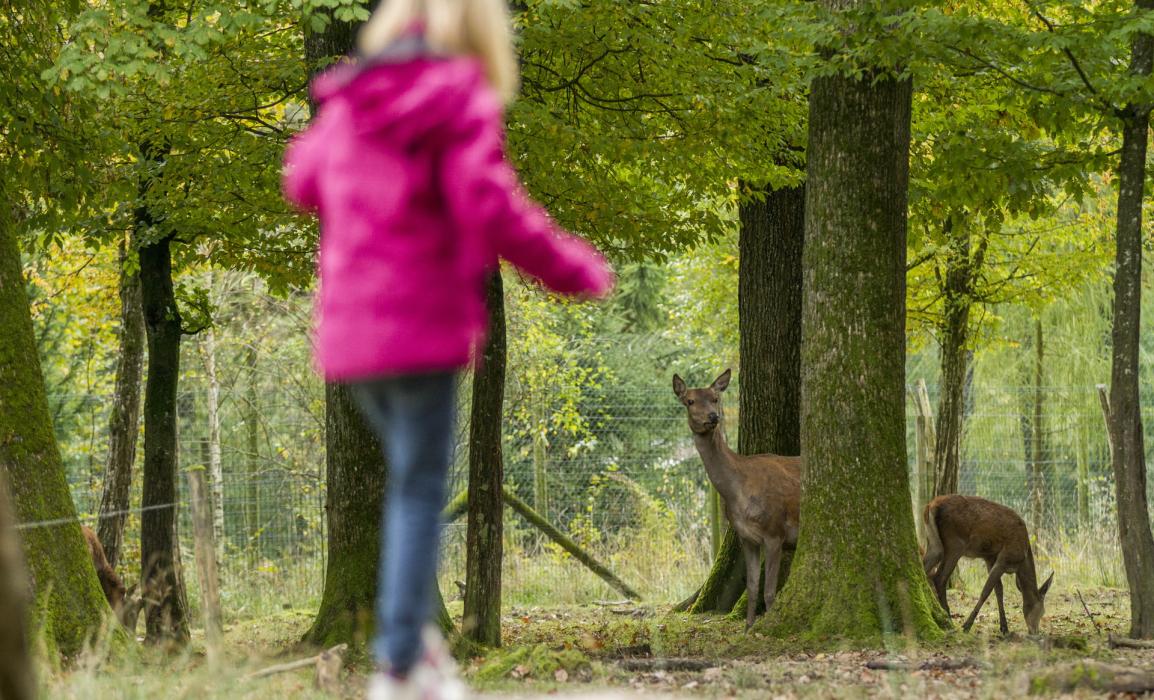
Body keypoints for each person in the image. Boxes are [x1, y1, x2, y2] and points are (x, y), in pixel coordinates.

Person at [281, 0, 615, 697]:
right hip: (421, 328)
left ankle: (414, 649)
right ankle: (401, 663)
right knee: (417, 488)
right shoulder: (456, 97)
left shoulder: (351, 102)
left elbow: (301, 181)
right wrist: (574, 269)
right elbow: (488, 201)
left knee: (410, 483)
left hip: (351, 340)